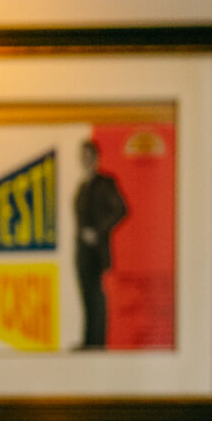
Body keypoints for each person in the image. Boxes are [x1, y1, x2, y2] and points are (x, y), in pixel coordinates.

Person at [72, 137, 128, 350]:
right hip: (81, 251)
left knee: (96, 295)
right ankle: (88, 341)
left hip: (95, 250)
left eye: (88, 156)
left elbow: (120, 209)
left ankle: (97, 343)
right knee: (86, 295)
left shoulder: (104, 183)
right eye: (82, 157)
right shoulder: (82, 185)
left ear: (95, 158)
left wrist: (97, 232)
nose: (85, 160)